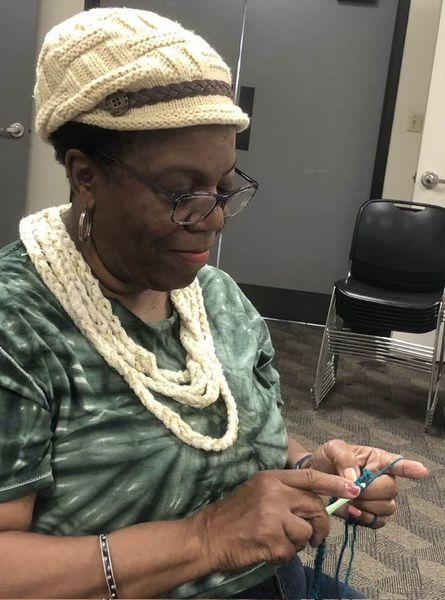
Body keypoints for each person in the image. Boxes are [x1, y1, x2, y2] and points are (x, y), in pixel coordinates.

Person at [0, 7, 427, 599]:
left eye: (225, 188)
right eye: (181, 192)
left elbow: (250, 437)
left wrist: (312, 472)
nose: (215, 219)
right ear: (85, 176)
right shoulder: (17, 325)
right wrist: (204, 538)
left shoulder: (214, 295)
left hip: (273, 579)